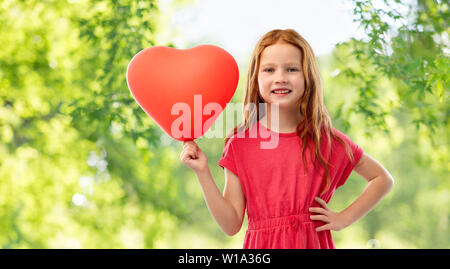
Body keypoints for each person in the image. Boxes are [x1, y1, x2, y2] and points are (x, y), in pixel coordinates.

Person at [180, 29, 394, 249]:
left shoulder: (326, 140)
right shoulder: (239, 145)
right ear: (256, 78)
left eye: (291, 69)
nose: (280, 78)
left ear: (307, 76)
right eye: (269, 70)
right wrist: (202, 172)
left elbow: (382, 179)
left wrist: (343, 218)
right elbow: (231, 224)